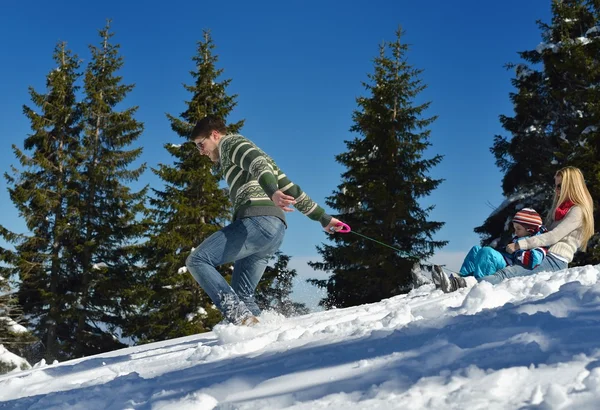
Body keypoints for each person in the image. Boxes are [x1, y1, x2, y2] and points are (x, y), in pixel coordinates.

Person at [185, 116, 345, 326]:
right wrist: (323, 218)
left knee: (197, 260)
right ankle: (260, 332)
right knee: (243, 294)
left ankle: (241, 319)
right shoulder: (252, 155)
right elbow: (293, 190)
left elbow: (257, 163)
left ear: (215, 135)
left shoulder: (231, 143)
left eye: (201, 144)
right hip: (274, 232)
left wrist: (272, 192)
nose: (201, 151)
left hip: (257, 223)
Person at [435, 166, 595, 293]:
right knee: (497, 262)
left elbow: (553, 237)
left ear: (571, 186)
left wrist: (520, 245)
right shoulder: (559, 210)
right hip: (543, 254)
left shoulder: (578, 211)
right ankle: (456, 281)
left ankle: (464, 285)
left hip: (555, 261)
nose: (557, 190)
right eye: (556, 186)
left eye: (560, 186)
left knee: (506, 274)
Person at [458, 208, 548, 279]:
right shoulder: (519, 238)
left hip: (509, 265)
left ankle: (480, 280)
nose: (515, 232)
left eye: (518, 229)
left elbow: (534, 260)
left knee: (487, 253)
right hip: (505, 259)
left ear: (530, 229)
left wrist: (515, 251)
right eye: (515, 228)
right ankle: (464, 277)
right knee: (476, 249)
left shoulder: (538, 240)